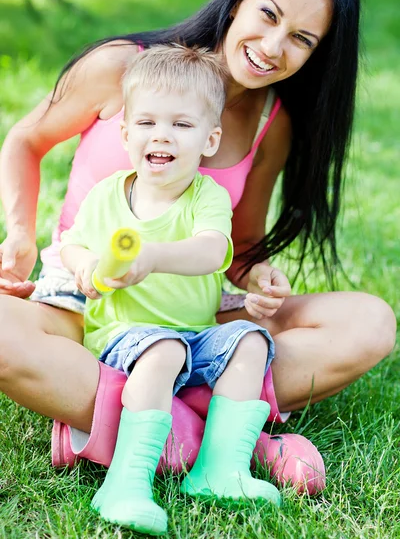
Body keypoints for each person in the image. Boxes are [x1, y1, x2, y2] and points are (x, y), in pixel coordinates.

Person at [0, 0, 395, 486]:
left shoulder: (270, 123)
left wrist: (257, 275)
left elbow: (241, 244)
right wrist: (19, 236)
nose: (272, 46)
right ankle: (220, 432)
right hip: (86, 302)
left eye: (301, 39)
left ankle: (128, 419)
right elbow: (25, 141)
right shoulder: (125, 68)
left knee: (369, 323)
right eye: (268, 14)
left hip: (193, 315)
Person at [60, 43, 281, 534]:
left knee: (249, 340)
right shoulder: (107, 196)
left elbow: (210, 250)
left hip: (195, 334)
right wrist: (86, 268)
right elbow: (72, 244)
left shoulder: (208, 196)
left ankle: (220, 469)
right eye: (147, 123)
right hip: (125, 333)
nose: (162, 136)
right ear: (125, 132)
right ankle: (125, 484)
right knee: (161, 351)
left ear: (209, 139)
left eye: (182, 125)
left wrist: (153, 256)